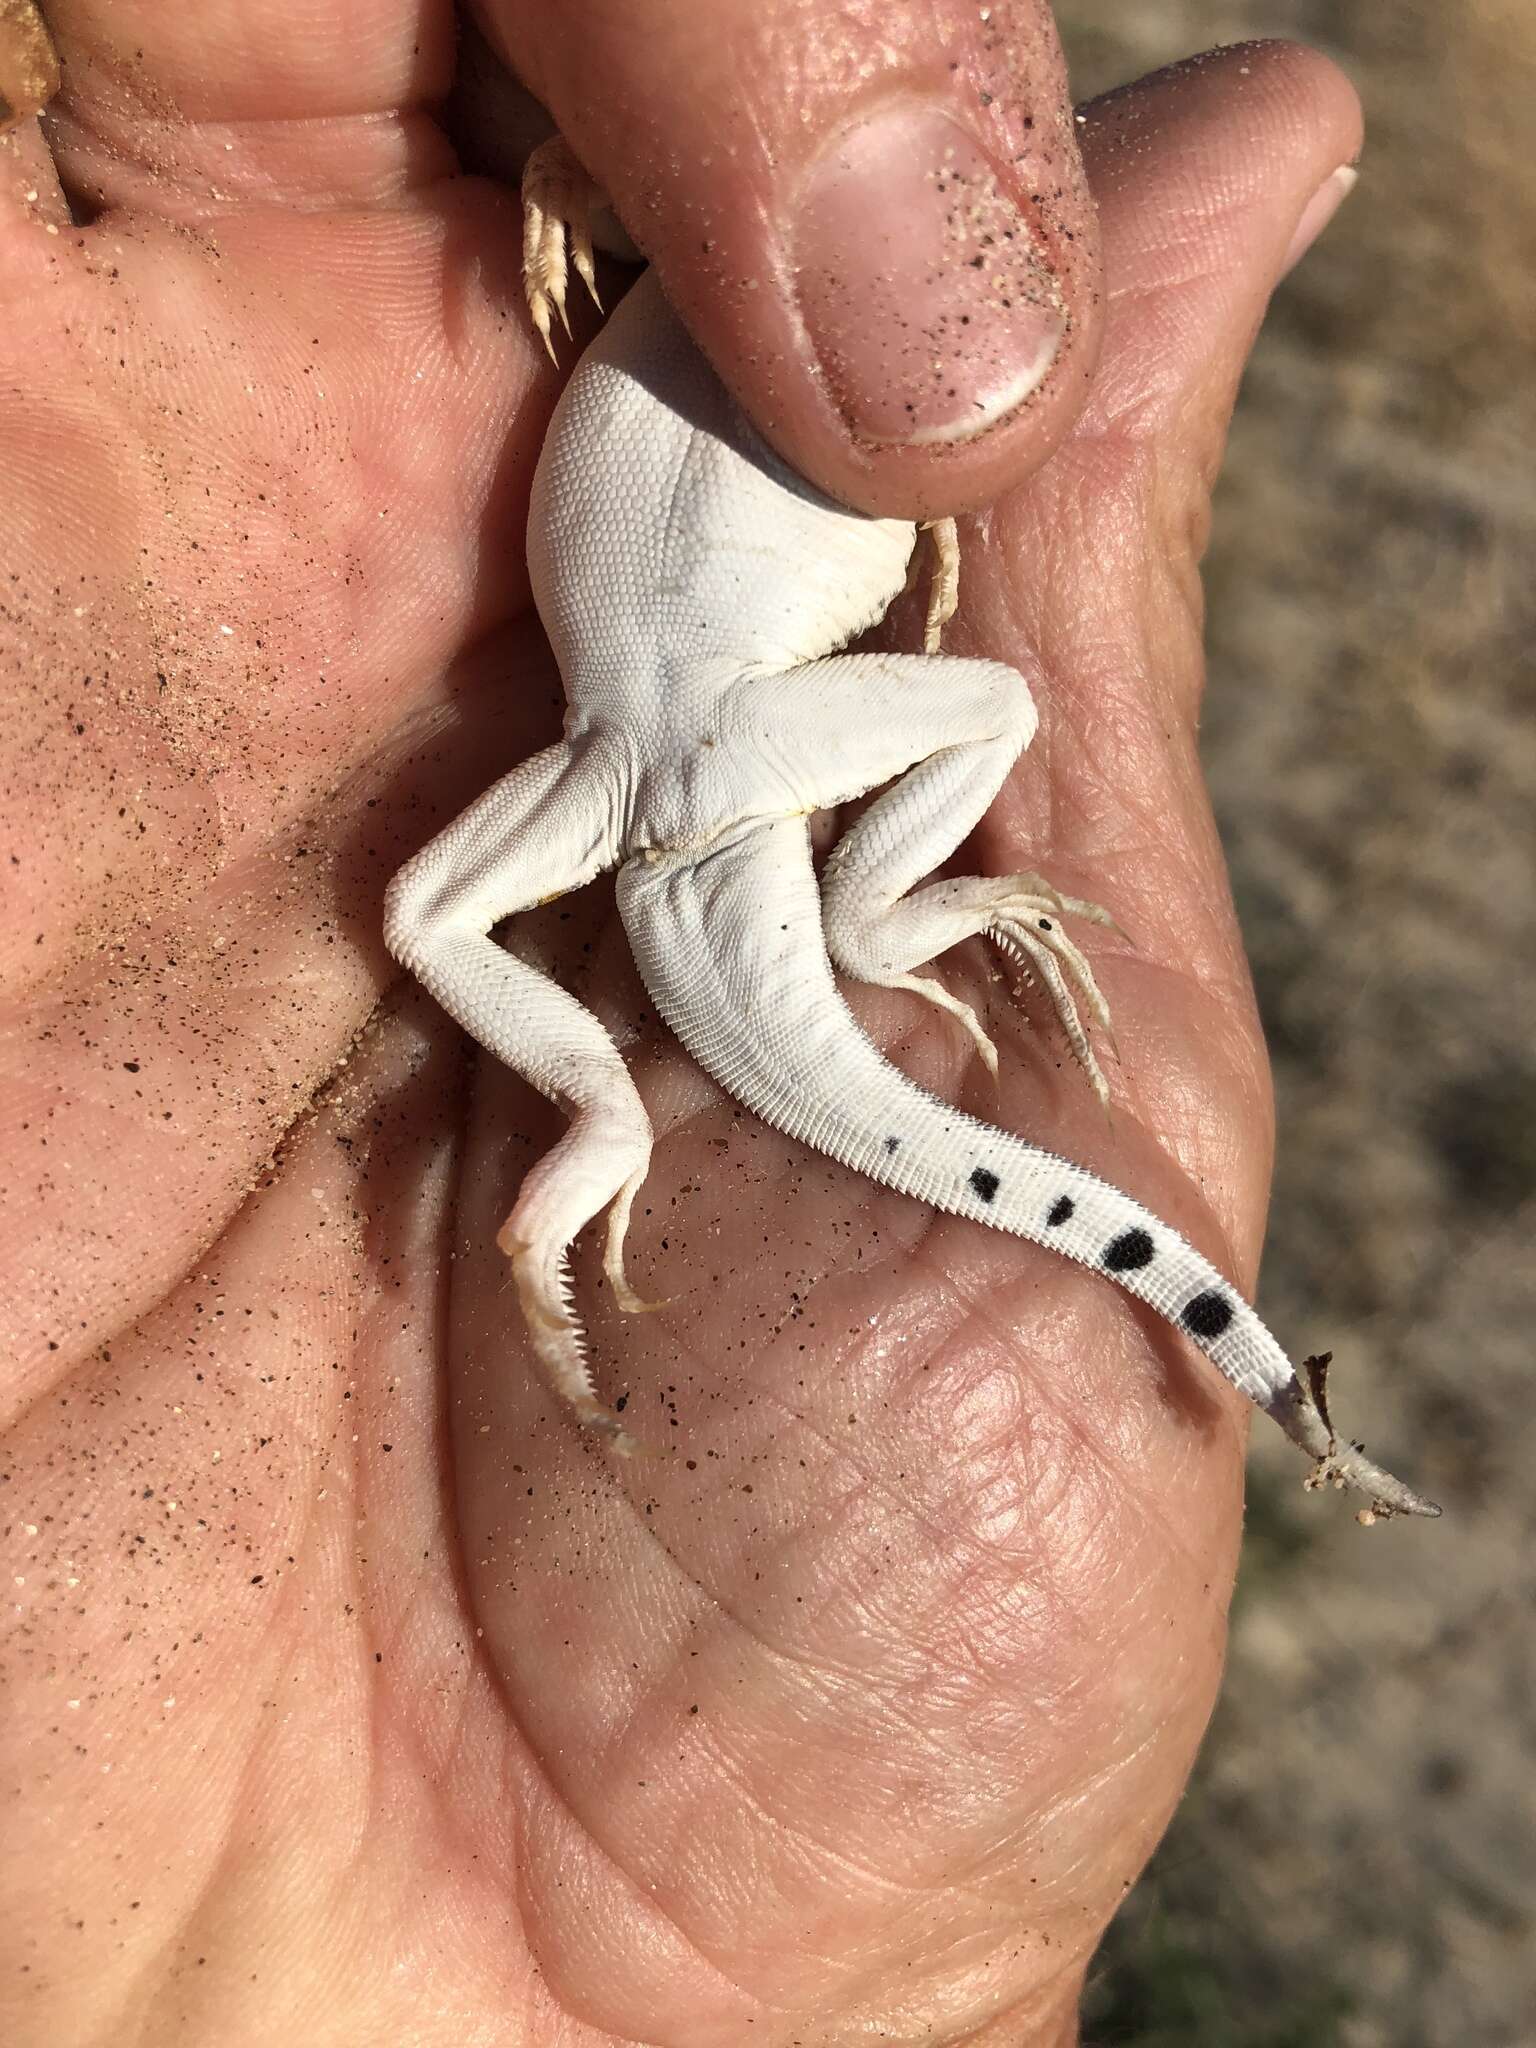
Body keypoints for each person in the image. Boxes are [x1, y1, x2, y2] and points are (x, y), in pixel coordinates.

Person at [0, 3, 1360, 2039]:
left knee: (442, 905)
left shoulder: (719, 282)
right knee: (959, 709)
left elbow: (606, 204)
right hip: (697, 735)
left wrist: (574, 185)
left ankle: (611, 1117)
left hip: (650, 735)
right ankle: (778, 995)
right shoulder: (766, 288)